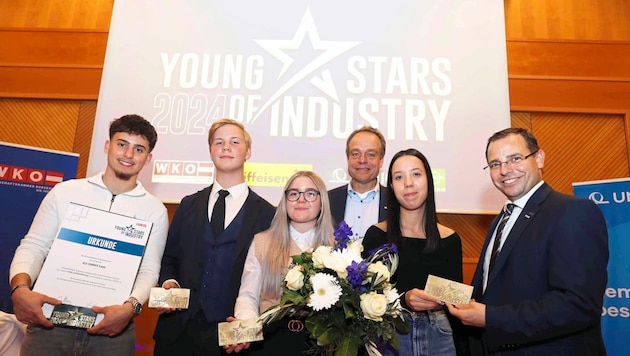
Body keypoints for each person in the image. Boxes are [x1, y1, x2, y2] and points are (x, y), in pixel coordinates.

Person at [9, 114, 169, 355]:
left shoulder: (154, 210)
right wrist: (20, 289)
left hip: (113, 331)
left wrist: (131, 307)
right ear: (107, 146)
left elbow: (149, 270)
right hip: (50, 325)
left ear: (148, 159)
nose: (128, 155)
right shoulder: (65, 192)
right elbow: (34, 246)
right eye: (122, 144)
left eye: (138, 149)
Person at [446, 128, 609, 355]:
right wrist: (438, 294)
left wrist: (489, 317)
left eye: (515, 159)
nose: (505, 170)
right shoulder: (499, 222)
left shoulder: (573, 212)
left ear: (539, 158)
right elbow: (494, 290)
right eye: (495, 164)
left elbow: (577, 305)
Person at [153, 118, 276, 355]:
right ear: (211, 151)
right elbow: (169, 259)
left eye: (234, 142)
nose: (226, 147)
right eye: (219, 142)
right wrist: (170, 283)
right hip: (177, 336)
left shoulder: (268, 214)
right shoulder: (188, 205)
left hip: (233, 341)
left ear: (247, 151)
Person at [362, 148, 464, 356]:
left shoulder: (450, 239)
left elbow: (456, 299)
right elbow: (362, 297)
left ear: (429, 180)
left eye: (416, 174)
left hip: (439, 336)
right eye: (399, 177)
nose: (408, 183)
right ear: (392, 186)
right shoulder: (376, 235)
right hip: (389, 336)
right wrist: (404, 298)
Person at [226, 171, 335, 355]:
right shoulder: (262, 242)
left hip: (321, 346)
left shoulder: (338, 249)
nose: (301, 199)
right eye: (294, 193)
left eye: (310, 193)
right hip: (270, 344)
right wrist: (246, 324)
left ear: (322, 201)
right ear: (285, 201)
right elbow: (248, 297)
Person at [328, 126, 388, 241]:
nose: (362, 160)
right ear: (348, 158)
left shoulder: (394, 202)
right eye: (355, 154)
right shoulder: (327, 200)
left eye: (371, 154)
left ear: (381, 160)